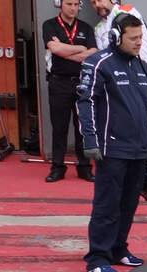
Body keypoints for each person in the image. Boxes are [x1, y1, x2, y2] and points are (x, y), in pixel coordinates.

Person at [77, 12, 147, 272]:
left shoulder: (143, 66)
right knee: (107, 205)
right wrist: (90, 140)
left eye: (140, 37)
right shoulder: (99, 63)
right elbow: (84, 102)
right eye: (133, 38)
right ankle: (97, 256)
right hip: (109, 149)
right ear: (115, 37)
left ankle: (118, 248)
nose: (138, 42)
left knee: (129, 203)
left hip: (138, 149)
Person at [90, 0, 147, 153]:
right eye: (92, 2)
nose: (97, 5)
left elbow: (139, 45)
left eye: (99, 0)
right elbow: (105, 57)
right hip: (119, 77)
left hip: (145, 71)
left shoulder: (127, 11)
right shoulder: (98, 28)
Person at [42, 0, 97, 183]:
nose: (72, 8)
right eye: (68, 3)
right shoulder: (49, 25)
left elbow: (92, 53)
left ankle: (84, 167)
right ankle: (57, 167)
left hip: (82, 82)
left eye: (75, 4)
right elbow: (54, 48)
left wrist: (66, 51)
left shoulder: (86, 28)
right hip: (59, 83)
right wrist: (80, 49)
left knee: (82, 127)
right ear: (60, 5)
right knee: (59, 127)